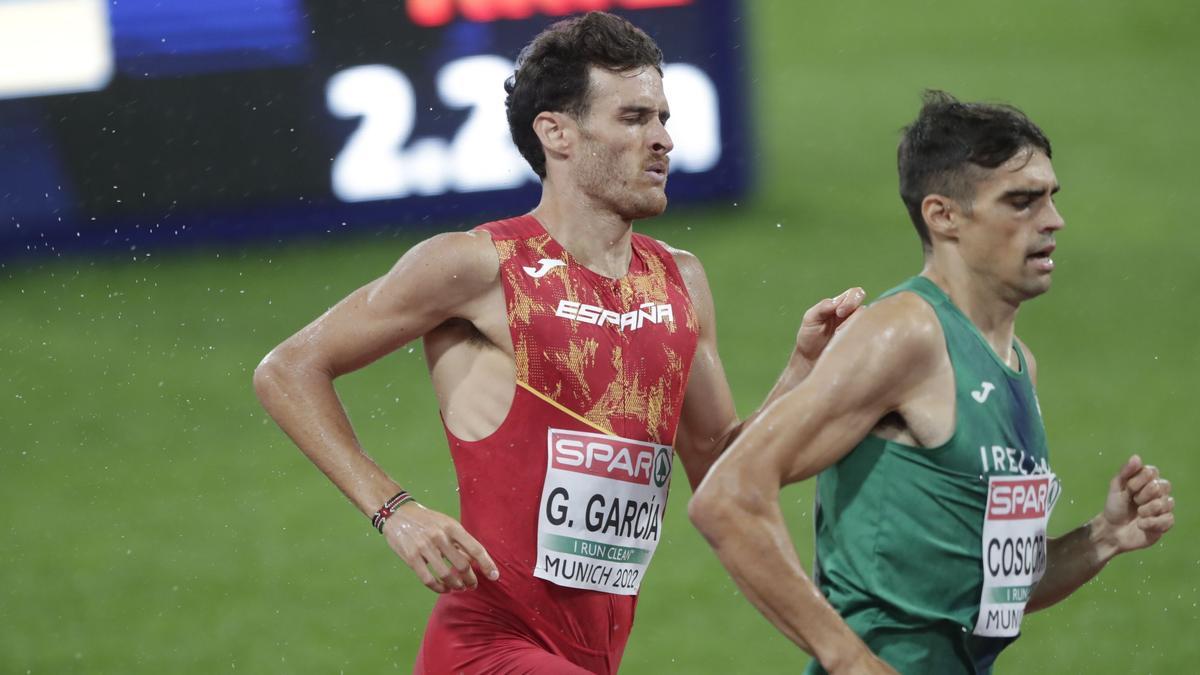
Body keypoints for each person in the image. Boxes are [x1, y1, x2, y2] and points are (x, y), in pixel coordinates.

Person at [253, 11, 863, 674]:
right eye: (633, 118)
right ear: (557, 132)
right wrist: (394, 511)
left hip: (592, 654)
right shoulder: (478, 265)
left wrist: (805, 370)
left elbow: (722, 468)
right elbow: (288, 368)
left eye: (663, 118)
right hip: (487, 645)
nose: (661, 140)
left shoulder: (679, 281)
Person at [688, 91, 1177, 675]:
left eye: (1051, 198)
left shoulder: (1017, 362)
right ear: (943, 216)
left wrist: (1104, 536)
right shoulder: (906, 333)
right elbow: (726, 498)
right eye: (1021, 202)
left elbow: (987, 590)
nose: (1052, 221)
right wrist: (848, 660)